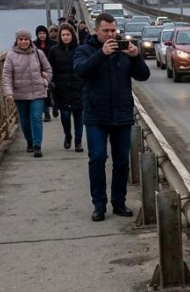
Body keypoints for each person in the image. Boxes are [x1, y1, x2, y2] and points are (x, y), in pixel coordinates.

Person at [74, 13, 150, 221]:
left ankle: (119, 202)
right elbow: (81, 71)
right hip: (96, 115)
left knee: (121, 162)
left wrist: (136, 56)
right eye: (105, 31)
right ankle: (99, 205)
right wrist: (102, 54)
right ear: (96, 31)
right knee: (97, 158)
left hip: (122, 114)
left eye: (113, 30)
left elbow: (143, 75)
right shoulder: (84, 50)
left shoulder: (124, 51)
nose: (110, 34)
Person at [2, 29, 52, 158]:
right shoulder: (10, 55)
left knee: (36, 118)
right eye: (21, 39)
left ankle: (37, 145)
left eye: (26, 39)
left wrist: (45, 81)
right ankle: (29, 140)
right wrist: (8, 92)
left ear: (30, 40)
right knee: (24, 120)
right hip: (20, 93)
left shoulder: (38, 53)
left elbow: (48, 69)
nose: (23, 42)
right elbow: (6, 75)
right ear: (16, 41)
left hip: (38, 92)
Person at [48, 24, 84, 152]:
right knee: (65, 115)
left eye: (68, 34)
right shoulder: (54, 51)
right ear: (60, 36)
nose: (65, 37)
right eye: (63, 35)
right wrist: (51, 82)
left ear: (72, 35)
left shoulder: (80, 49)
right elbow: (50, 69)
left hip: (78, 87)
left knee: (79, 116)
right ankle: (68, 135)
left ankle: (78, 142)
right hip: (61, 88)